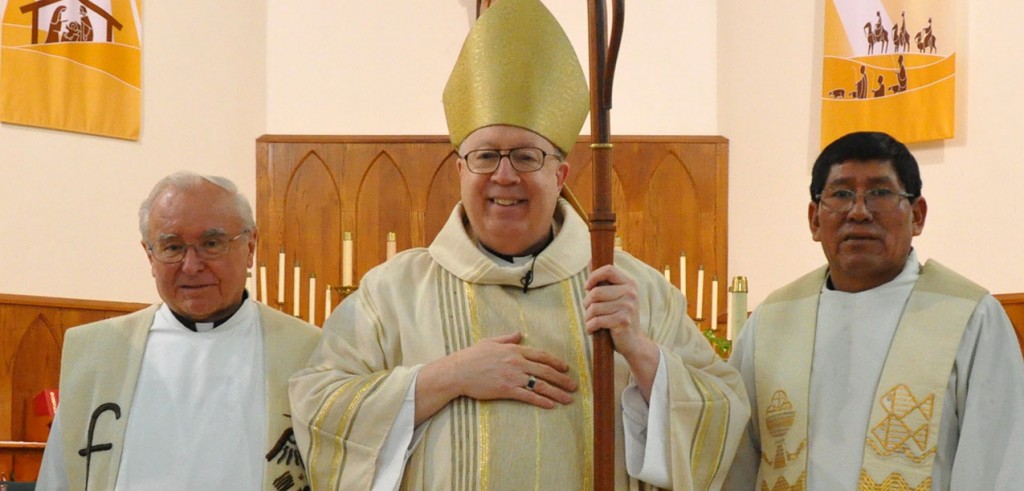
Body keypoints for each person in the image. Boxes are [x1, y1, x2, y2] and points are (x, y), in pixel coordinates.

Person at [288, 0, 748, 489]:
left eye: (527, 157)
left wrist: (640, 350)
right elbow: (319, 406)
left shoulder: (630, 289)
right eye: (486, 155)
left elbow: (724, 410)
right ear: (460, 170)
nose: (504, 176)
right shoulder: (392, 293)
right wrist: (448, 377)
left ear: (560, 172)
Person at [724, 132, 1024, 490]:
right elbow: (736, 460)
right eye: (841, 194)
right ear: (814, 220)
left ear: (917, 215)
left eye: (880, 193)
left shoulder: (971, 318)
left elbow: (997, 465)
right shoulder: (772, 322)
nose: (859, 212)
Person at [36, 171, 321, 490]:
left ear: (251, 246)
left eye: (212, 244)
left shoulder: (309, 353)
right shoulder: (99, 354)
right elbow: (59, 478)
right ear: (149, 255)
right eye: (172, 247)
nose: (191, 265)